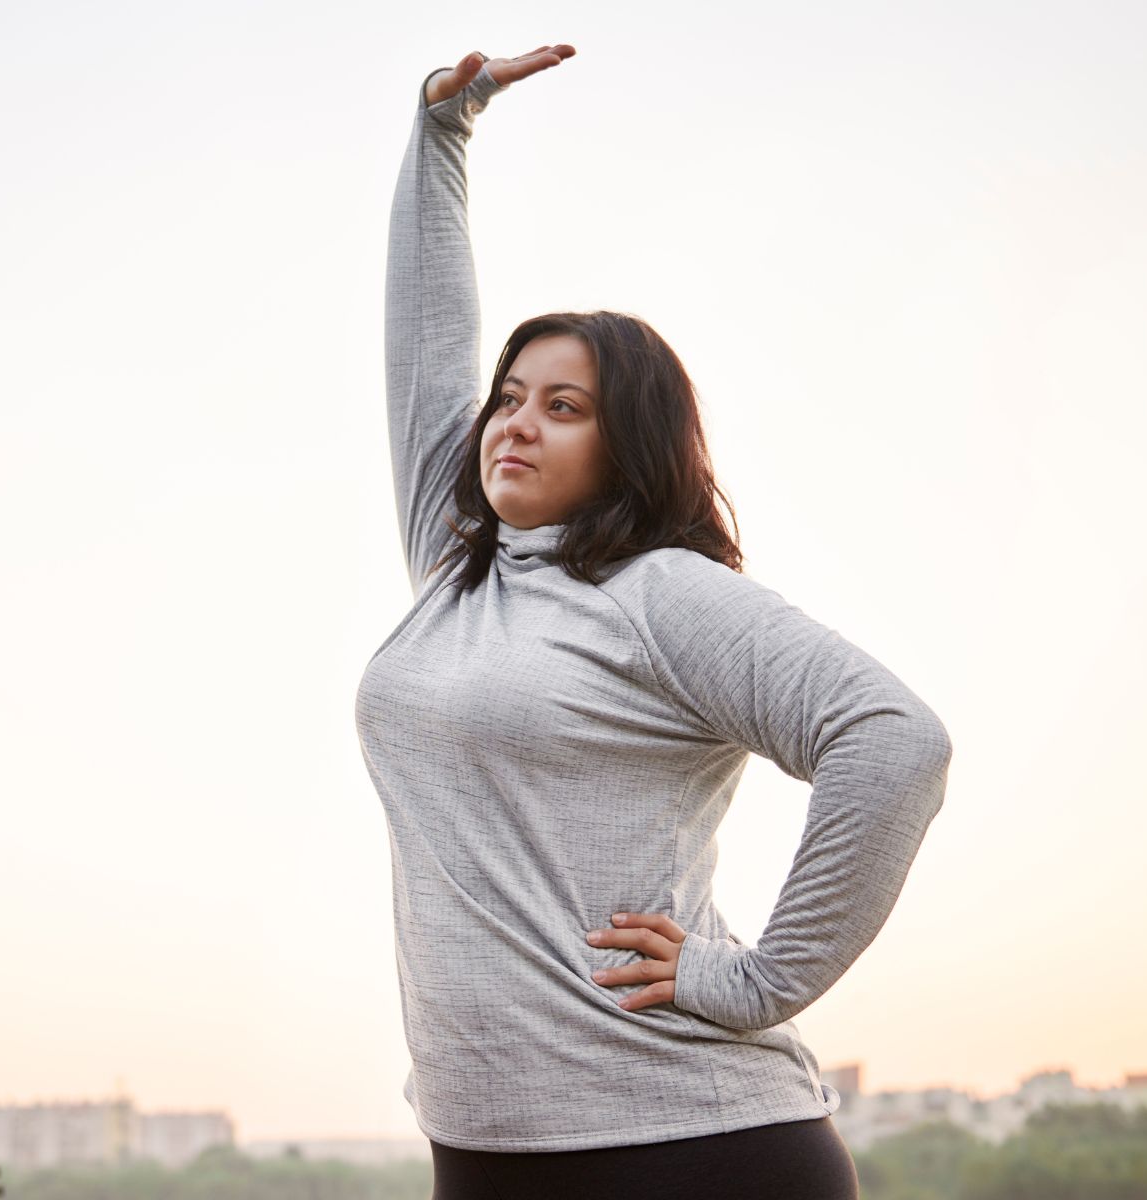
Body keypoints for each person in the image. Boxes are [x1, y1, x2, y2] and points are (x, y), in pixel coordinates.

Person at [352, 44, 954, 1199]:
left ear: (626, 440)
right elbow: (425, 354)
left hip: (691, 1147)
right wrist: (440, 138)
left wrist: (756, 981)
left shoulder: (661, 596)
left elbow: (893, 738)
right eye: (510, 400)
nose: (514, 425)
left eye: (563, 407)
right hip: (486, 1151)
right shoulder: (457, 567)